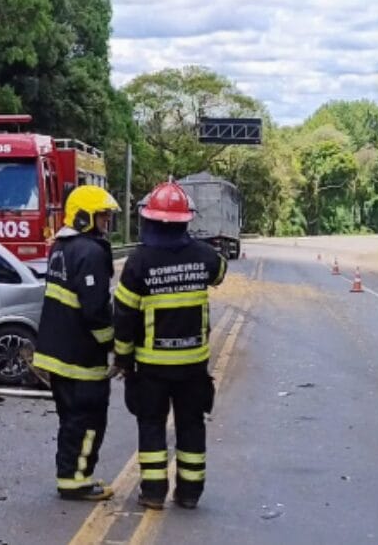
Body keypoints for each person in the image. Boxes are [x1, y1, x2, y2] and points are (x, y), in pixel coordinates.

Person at [113, 181, 227, 511]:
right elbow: (220, 272)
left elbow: (124, 316)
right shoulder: (202, 255)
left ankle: (153, 492)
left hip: (152, 367)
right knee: (191, 426)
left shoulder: (138, 262)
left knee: (151, 426)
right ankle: (189, 493)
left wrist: (123, 360)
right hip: (193, 366)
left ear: (149, 220)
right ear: (185, 221)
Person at [32, 185, 121, 501]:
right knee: (88, 420)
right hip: (80, 358)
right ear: (85, 217)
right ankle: (77, 481)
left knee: (71, 420)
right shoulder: (90, 252)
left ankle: (69, 475)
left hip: (57, 355)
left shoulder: (60, 247)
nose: (106, 222)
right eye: (102, 216)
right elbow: (95, 310)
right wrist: (112, 344)